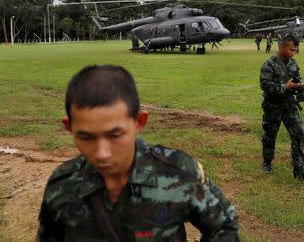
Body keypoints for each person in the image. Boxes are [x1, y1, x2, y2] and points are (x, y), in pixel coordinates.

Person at [36, 65, 239, 241]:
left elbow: (223, 224)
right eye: (86, 137)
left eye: (115, 135)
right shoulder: (62, 187)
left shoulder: (180, 173)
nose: (102, 153)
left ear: (139, 122)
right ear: (69, 127)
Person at [259, 35, 304, 180]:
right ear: (282, 47)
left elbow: (296, 79)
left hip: (289, 104)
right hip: (273, 106)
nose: (293, 53)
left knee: (299, 134)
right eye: (291, 49)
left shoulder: (293, 64)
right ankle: (267, 162)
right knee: (270, 135)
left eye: (296, 50)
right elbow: (265, 85)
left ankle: (299, 169)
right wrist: (285, 86)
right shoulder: (269, 64)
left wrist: (300, 87)